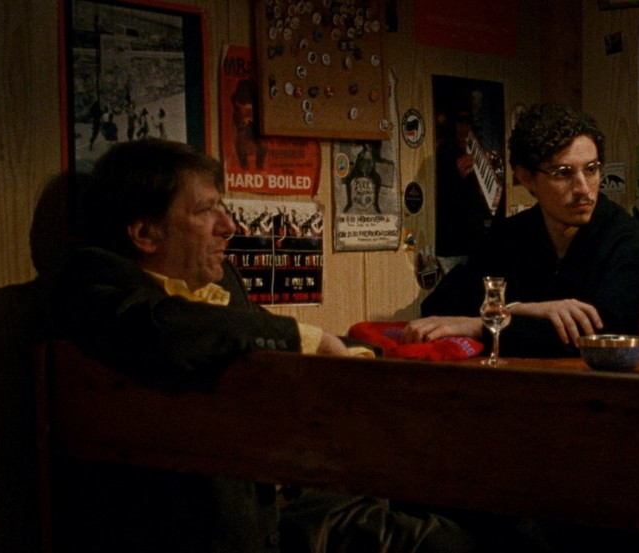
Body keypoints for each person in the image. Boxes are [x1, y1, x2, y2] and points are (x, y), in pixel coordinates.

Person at [49, 138, 516, 553]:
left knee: (498, 522)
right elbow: (171, 328)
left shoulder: (218, 281)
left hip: (297, 490)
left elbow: (259, 333)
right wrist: (308, 338)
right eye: (205, 211)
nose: (228, 225)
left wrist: (363, 359)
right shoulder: (93, 281)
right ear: (144, 234)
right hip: (227, 526)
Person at [403, 103, 639, 357]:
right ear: (526, 177)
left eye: (591, 169)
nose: (583, 188)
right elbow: (439, 308)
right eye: (563, 173)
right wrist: (524, 309)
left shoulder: (629, 241)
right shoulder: (511, 234)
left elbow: (601, 334)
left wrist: (484, 326)